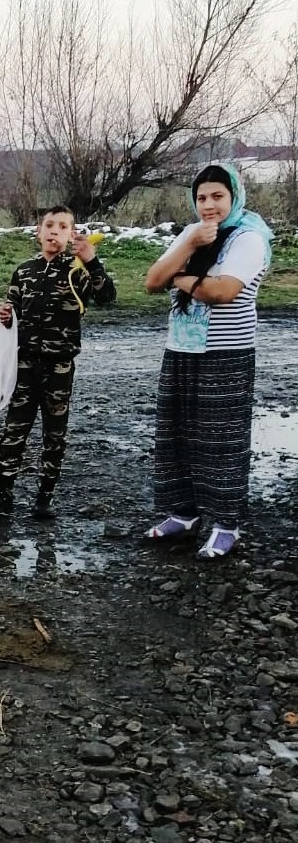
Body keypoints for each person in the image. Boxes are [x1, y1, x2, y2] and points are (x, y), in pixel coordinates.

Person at [144, 162, 273, 560]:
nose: (209, 205)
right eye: (201, 197)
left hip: (226, 354)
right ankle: (183, 514)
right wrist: (189, 245)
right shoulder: (192, 233)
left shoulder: (249, 238)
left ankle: (226, 525)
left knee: (221, 442)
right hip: (181, 349)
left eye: (218, 196)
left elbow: (223, 292)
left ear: (234, 197)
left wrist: (179, 277)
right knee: (176, 436)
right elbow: (152, 281)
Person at [0, 205, 116, 519]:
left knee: (54, 433)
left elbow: (107, 297)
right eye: (50, 225)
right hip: (24, 364)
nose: (55, 231)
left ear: (72, 235)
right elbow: (12, 308)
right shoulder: (25, 270)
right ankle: (3, 492)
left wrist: (92, 261)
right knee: (14, 428)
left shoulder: (78, 270)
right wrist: (5, 314)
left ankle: (45, 496)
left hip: (59, 367)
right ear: (38, 232)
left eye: (63, 227)